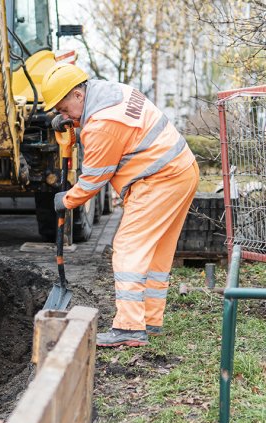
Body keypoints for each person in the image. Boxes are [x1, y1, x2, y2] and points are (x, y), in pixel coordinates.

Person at [41, 63, 199, 347]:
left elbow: (93, 179)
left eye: (64, 109)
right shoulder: (111, 92)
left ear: (78, 94)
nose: (63, 115)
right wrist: (74, 125)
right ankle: (150, 320)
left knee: (128, 248)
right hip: (181, 170)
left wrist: (65, 200)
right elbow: (119, 136)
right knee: (156, 253)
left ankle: (129, 328)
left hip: (158, 179)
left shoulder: (103, 125)